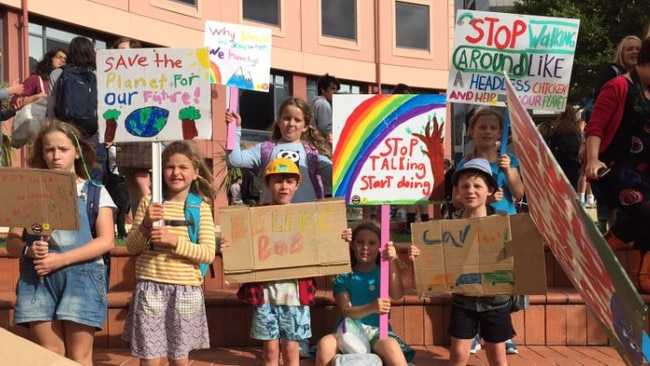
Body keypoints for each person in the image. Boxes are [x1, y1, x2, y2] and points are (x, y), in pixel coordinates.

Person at [6, 120, 116, 366]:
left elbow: (106, 240)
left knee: (79, 356)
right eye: (49, 149)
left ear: (77, 152)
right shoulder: (29, 192)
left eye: (63, 149)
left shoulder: (96, 192)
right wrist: (28, 249)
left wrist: (60, 260)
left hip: (82, 277)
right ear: (41, 153)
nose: (56, 156)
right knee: (50, 353)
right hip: (38, 280)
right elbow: (12, 242)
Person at [122, 140, 220, 365]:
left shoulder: (200, 207)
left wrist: (174, 241)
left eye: (183, 167)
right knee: (149, 357)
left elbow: (207, 253)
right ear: (160, 171)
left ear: (195, 172)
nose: (176, 172)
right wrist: (146, 224)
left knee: (179, 357)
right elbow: (132, 247)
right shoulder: (150, 203)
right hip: (150, 287)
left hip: (185, 291)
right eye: (169, 167)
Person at [453, 108, 524, 354]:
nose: (488, 132)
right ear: (472, 131)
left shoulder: (509, 160)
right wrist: (485, 198)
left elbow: (519, 193)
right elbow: (456, 200)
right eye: (482, 127)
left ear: (501, 132)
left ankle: (503, 333)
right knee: (475, 275)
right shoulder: (465, 162)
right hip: (475, 227)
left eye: (493, 127)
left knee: (502, 280)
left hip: (504, 226)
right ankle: (471, 331)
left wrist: (508, 170)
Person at [236, 157, 320, 366]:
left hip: (294, 295)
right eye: (278, 181)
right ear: (267, 184)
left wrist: (341, 237)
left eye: (289, 181)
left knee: (292, 349)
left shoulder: (306, 217)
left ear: (297, 184)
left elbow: (323, 244)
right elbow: (242, 244)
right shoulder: (255, 217)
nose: (284, 186)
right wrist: (231, 244)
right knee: (270, 350)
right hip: (266, 295)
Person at [585, 37, 650, 294]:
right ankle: (597, 257)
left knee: (645, 219)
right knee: (647, 212)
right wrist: (592, 159)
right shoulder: (617, 86)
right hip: (614, 168)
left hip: (647, 172)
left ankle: (642, 277)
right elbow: (596, 125)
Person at [314, 221, 415, 366]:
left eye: (372, 243)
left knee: (392, 347)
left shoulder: (383, 274)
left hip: (378, 332)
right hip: (348, 332)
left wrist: (391, 261)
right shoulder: (344, 277)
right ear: (353, 245)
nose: (365, 247)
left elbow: (397, 295)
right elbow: (346, 311)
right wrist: (372, 307)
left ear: (380, 247)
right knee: (325, 345)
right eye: (360, 242)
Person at [447, 158, 514, 366]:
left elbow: (518, 257)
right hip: (463, 299)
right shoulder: (449, 228)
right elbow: (439, 259)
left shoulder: (504, 223)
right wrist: (419, 254)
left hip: (496, 301)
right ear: (457, 191)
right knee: (458, 353)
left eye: (477, 186)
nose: (471, 191)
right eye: (465, 186)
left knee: (497, 355)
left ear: (490, 191)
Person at [225, 96, 332, 204]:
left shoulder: (312, 154)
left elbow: (338, 175)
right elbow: (234, 160)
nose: (291, 124)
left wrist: (339, 148)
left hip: (306, 217)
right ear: (279, 121)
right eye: (287, 118)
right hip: (270, 217)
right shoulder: (265, 149)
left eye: (297, 120)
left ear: (305, 126)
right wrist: (235, 128)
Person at [47, 36, 105, 184]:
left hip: (66, 132)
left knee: (65, 178)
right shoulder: (99, 75)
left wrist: (52, 130)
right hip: (93, 132)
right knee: (94, 180)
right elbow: (104, 107)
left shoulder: (58, 74)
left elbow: (52, 106)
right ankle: (92, 205)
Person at [110, 37, 152, 219]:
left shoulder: (144, 74)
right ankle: (138, 223)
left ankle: (155, 219)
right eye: (117, 49)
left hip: (141, 130)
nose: (120, 53)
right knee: (129, 179)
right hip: (122, 133)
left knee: (141, 178)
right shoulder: (113, 76)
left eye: (123, 49)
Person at [391, 83, 430, 231]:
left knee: (420, 192)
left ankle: (419, 224)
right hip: (407, 155)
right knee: (412, 192)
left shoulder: (415, 109)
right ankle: (411, 225)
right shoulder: (403, 111)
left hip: (417, 154)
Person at [12, 47, 65, 112]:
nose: (63, 60)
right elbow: (15, 101)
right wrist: (37, 97)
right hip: (38, 120)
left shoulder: (65, 82)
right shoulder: (35, 79)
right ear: (50, 59)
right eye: (59, 57)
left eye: (65, 59)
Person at [548, 105, 583, 190]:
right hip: (574, 164)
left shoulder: (558, 128)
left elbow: (552, 145)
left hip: (561, 162)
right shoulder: (577, 130)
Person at [104, 143, 130, 238]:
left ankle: (120, 233)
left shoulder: (115, 147)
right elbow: (118, 154)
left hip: (121, 179)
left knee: (122, 208)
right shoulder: (113, 149)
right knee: (120, 208)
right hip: (117, 179)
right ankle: (120, 233)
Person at [309, 73, 340, 145]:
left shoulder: (312, 102)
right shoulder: (324, 104)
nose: (336, 92)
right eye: (332, 88)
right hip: (320, 145)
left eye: (336, 89)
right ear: (323, 89)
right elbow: (326, 129)